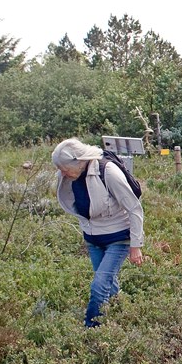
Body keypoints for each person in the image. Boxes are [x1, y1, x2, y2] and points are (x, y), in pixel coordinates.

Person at [51, 138, 144, 327]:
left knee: (99, 285)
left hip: (118, 239)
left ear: (79, 161)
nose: (62, 173)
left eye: (64, 168)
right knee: (108, 283)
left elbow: (134, 208)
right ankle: (120, 313)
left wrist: (136, 246)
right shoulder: (70, 176)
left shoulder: (107, 171)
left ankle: (91, 329)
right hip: (93, 240)